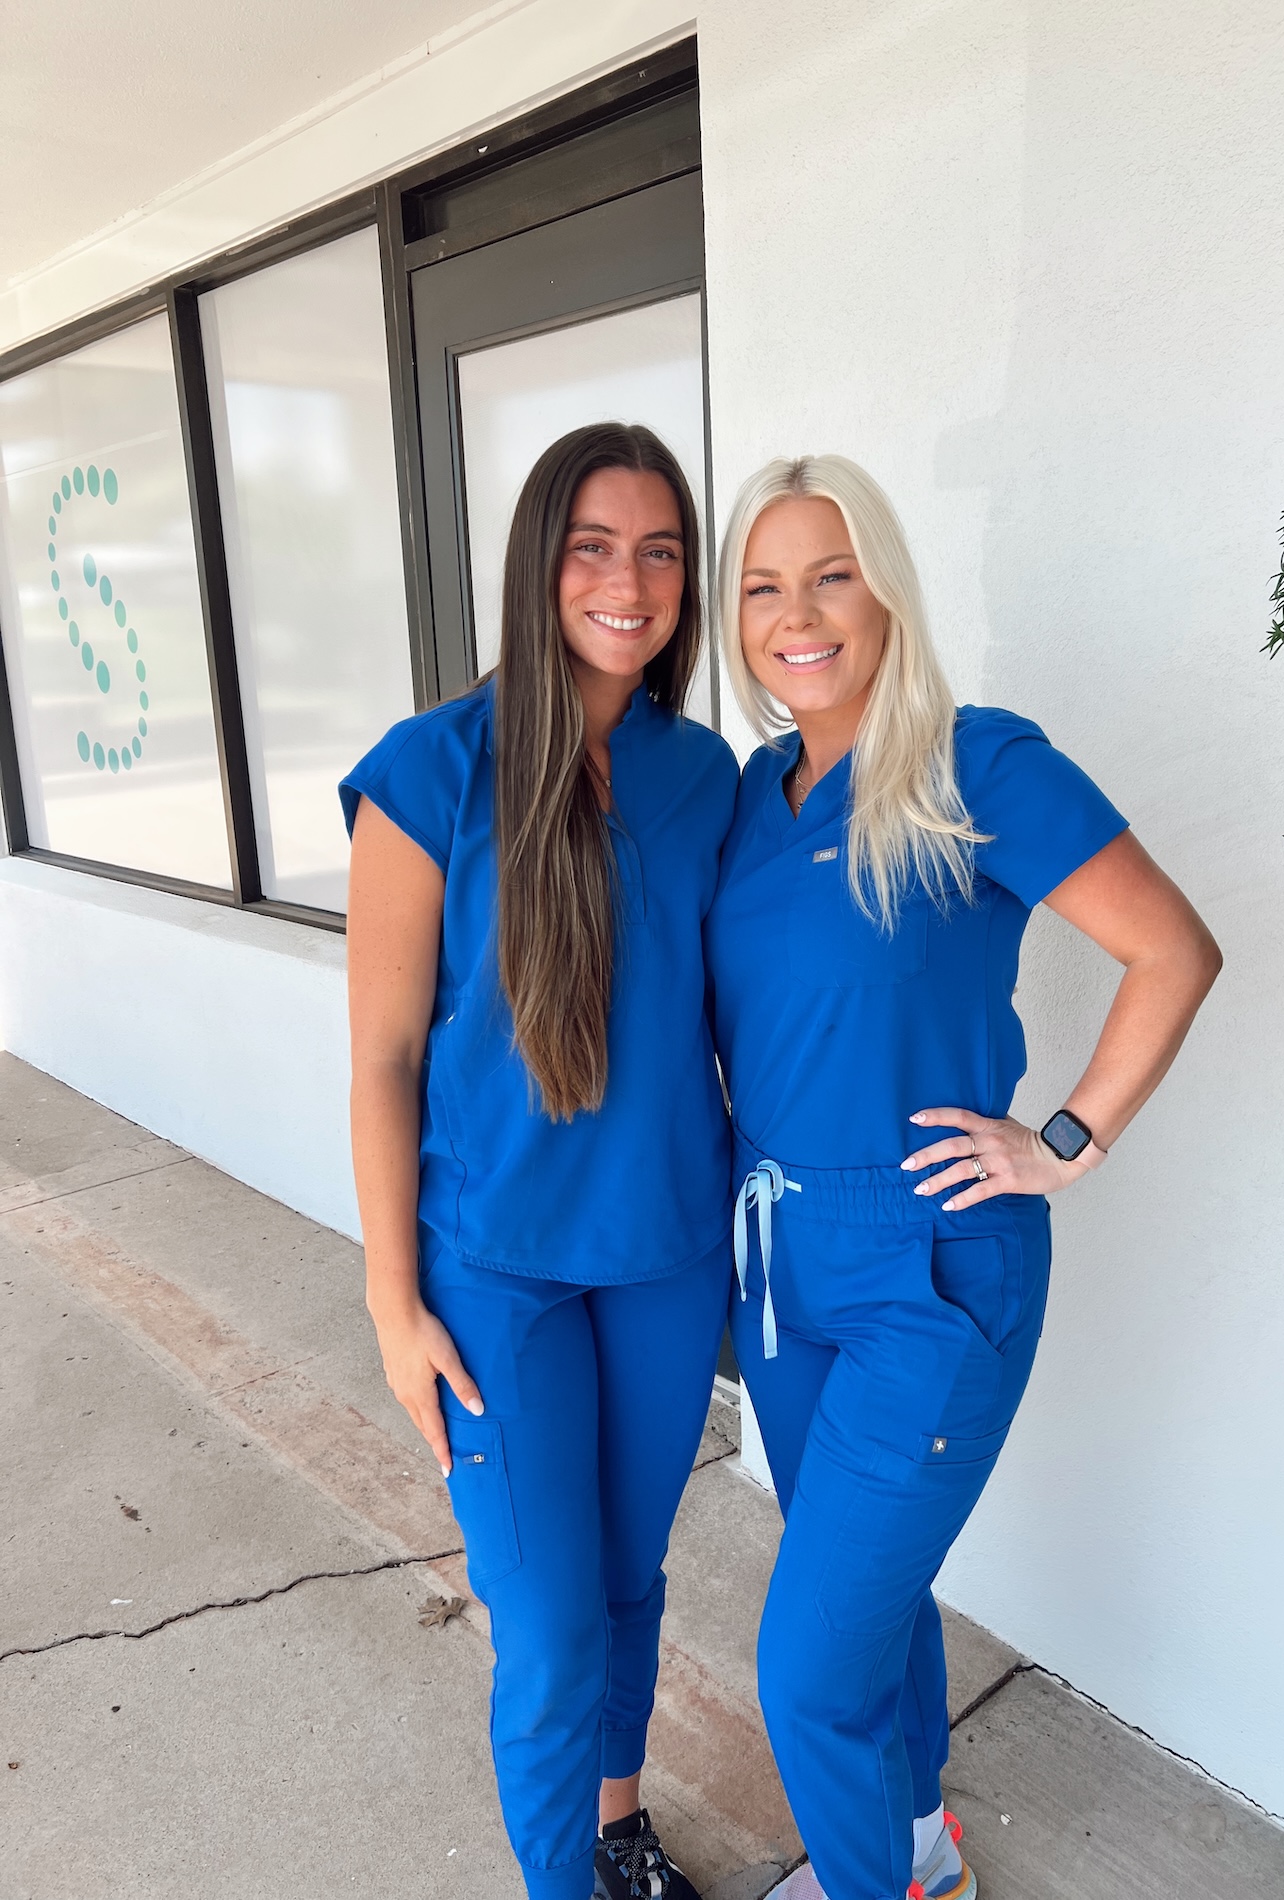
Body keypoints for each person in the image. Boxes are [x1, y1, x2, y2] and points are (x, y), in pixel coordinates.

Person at [704, 455, 1221, 1900]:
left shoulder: (972, 763)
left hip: (928, 1264)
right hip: (780, 1260)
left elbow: (1170, 952)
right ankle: (918, 1848)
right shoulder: (753, 795)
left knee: (802, 1672)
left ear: (884, 590)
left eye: (829, 574)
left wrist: (1061, 1141)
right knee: (864, 1603)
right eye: (760, 586)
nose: (794, 614)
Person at [341, 423, 737, 1900]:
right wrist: (394, 1303)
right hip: (494, 1270)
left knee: (627, 1589)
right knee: (554, 1623)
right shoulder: (432, 769)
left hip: (665, 1253)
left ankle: (615, 1830)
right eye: (591, 546)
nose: (626, 582)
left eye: (657, 549)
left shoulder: (705, 777)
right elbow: (382, 1058)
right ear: (536, 565)